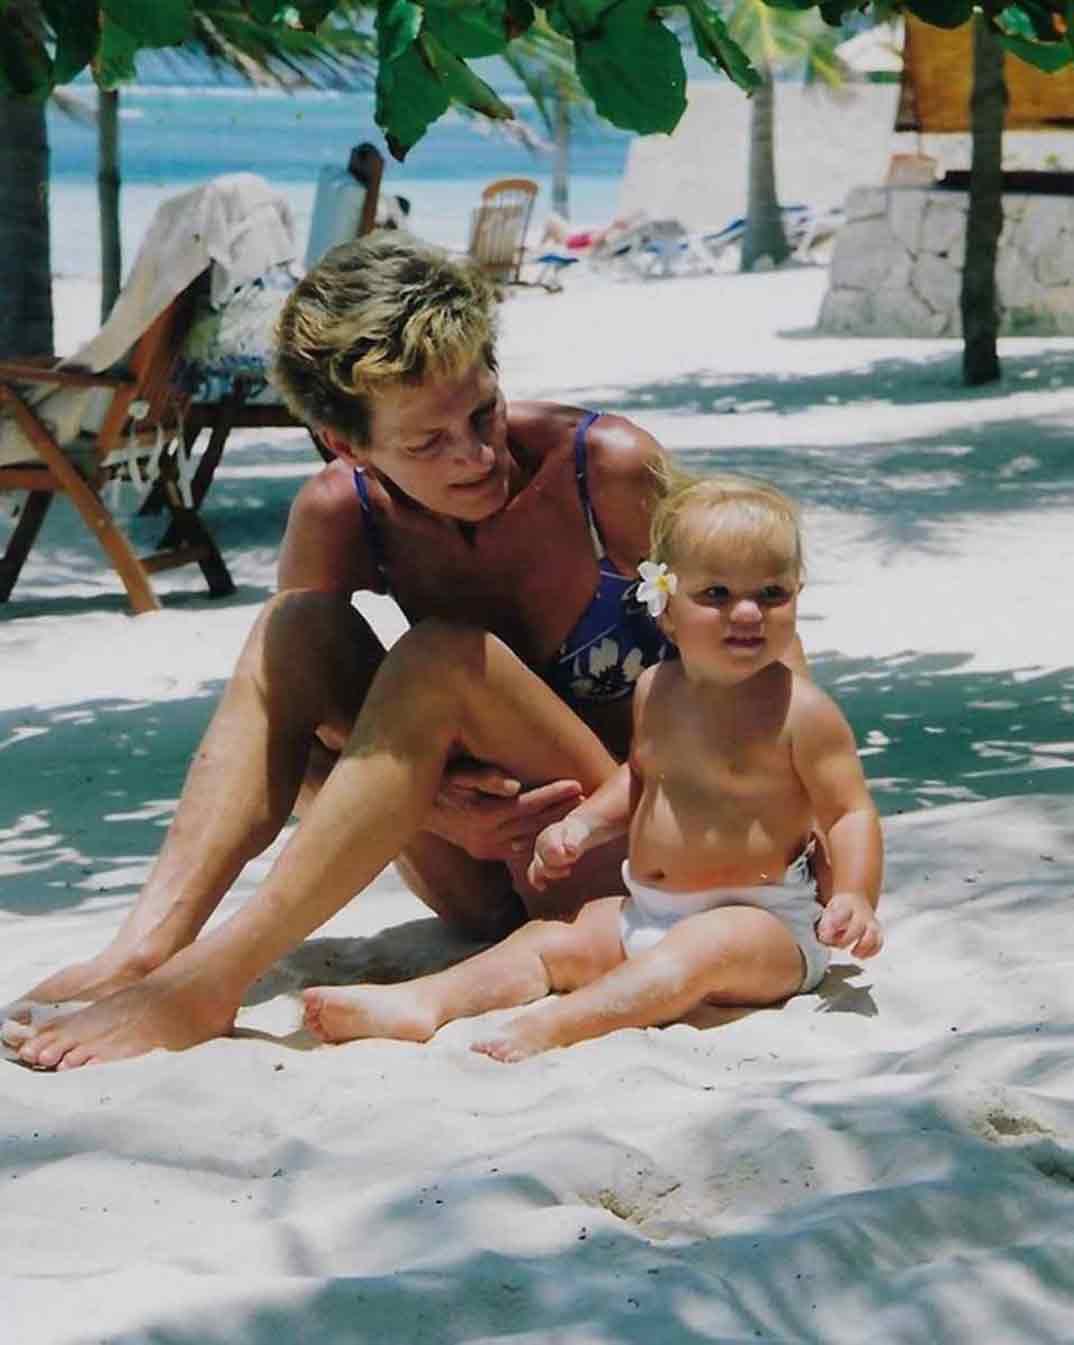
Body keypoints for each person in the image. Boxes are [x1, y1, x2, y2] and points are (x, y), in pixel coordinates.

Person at [6, 232, 805, 1071]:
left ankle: (209, 980)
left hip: (640, 862)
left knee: (442, 658)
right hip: (477, 875)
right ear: (344, 444)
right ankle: (144, 951)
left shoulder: (603, 471)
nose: (479, 452)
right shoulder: (339, 516)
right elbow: (295, 758)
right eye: (428, 443)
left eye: (483, 409)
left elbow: (777, 667)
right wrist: (428, 807)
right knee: (293, 631)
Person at [300, 475, 884, 1061]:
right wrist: (581, 826)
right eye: (717, 595)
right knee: (552, 940)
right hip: (649, 911)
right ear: (666, 608)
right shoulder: (657, 688)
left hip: (765, 926)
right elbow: (641, 781)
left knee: (702, 950)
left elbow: (848, 812)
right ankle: (426, 1001)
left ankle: (560, 1025)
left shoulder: (801, 712)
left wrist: (856, 894)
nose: (749, 612)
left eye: (773, 593)